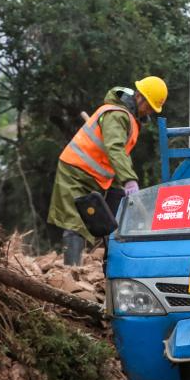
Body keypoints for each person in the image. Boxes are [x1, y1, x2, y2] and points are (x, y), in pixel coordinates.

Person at [47, 77, 167, 265]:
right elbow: (115, 149)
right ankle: (71, 272)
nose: (149, 112)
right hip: (75, 171)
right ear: (139, 97)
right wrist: (129, 179)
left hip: (98, 176)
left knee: (115, 217)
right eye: (149, 106)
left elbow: (116, 157)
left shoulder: (130, 118)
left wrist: (121, 186)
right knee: (76, 223)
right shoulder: (117, 115)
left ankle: (116, 265)